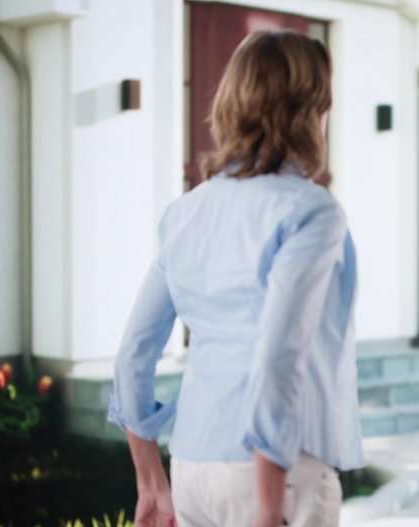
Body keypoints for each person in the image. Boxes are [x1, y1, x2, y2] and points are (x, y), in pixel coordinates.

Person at [108, 30, 363, 527]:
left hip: (192, 467)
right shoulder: (311, 210)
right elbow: (278, 353)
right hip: (271, 475)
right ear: (311, 109)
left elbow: (132, 355)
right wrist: (269, 509)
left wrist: (150, 483)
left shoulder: (186, 211)